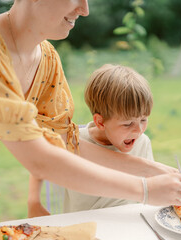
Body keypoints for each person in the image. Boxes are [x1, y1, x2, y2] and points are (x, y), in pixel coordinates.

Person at [0, 0, 181, 233]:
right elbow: (40, 159)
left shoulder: (47, 59)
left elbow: (69, 144)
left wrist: (164, 173)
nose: (85, 9)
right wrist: (145, 190)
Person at [64, 64, 156, 212]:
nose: (138, 130)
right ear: (100, 122)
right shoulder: (74, 142)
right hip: (84, 227)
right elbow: (41, 162)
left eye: (143, 120)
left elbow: (153, 186)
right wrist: (34, 201)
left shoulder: (143, 143)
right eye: (127, 124)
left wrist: (177, 179)